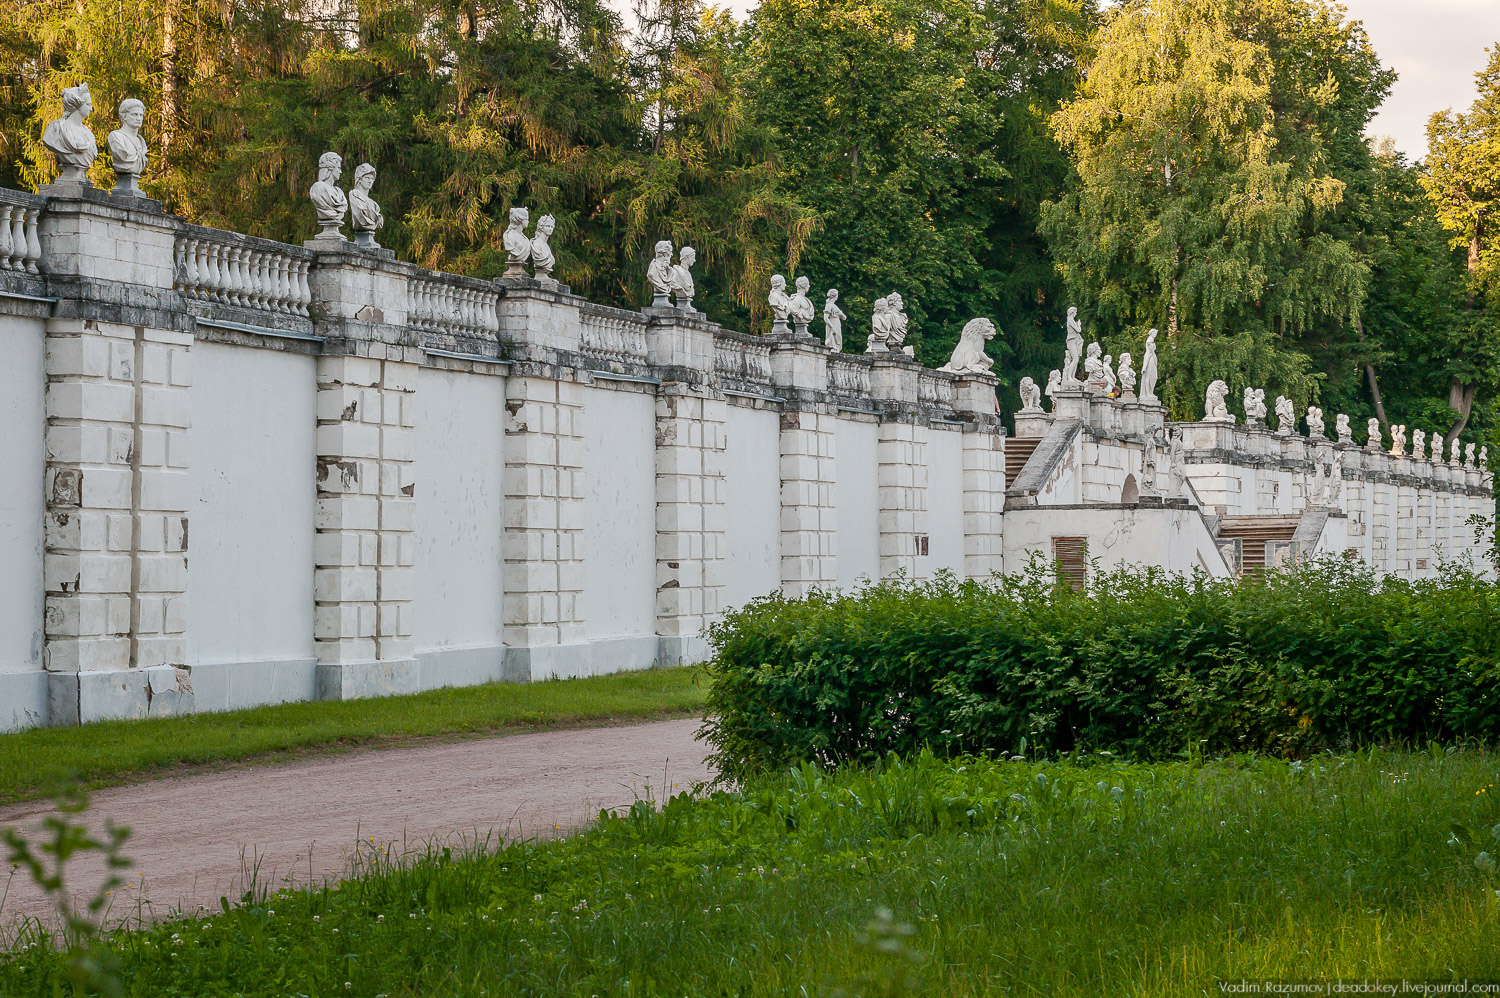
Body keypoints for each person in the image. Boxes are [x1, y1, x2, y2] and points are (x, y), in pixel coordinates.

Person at [43, 83, 98, 183]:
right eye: (88, 104)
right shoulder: (56, 130)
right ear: (77, 105)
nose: (91, 108)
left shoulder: (89, 135)